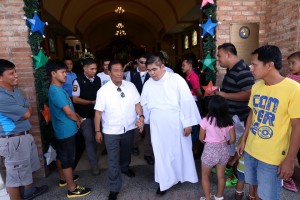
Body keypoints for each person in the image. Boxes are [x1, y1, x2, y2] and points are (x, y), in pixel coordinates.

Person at [237, 45, 300, 200]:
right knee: (255, 188)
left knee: (269, 195)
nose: (251, 68)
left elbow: (297, 126)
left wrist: (290, 160)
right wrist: (243, 140)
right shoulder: (257, 86)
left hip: (272, 157)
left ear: (269, 65)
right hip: (252, 150)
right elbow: (252, 113)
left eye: (254, 64)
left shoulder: (294, 89)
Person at [140, 54, 201, 195]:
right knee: (161, 153)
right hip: (157, 124)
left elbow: (186, 101)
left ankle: (179, 176)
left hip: (176, 122)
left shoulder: (176, 79)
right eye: (148, 70)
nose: (152, 73)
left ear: (162, 66)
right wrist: (142, 119)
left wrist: (188, 123)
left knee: (178, 151)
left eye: (154, 69)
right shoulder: (148, 84)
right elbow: (144, 104)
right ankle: (164, 182)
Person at [94, 61, 144, 200]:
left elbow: (137, 104)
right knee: (112, 159)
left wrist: (141, 116)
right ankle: (114, 187)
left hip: (129, 127)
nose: (119, 73)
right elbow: (98, 113)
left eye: (121, 70)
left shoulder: (131, 86)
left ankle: (125, 167)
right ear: (109, 72)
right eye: (115, 70)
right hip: (111, 131)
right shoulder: (103, 91)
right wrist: (97, 131)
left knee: (127, 151)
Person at [0, 59, 48, 200]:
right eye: (11, 73)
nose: (16, 75)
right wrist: (24, 112)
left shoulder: (15, 91)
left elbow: (29, 109)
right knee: (14, 177)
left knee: (24, 169)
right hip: (13, 140)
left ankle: (30, 191)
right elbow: (26, 113)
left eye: (15, 72)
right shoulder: (1, 97)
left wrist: (24, 112)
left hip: (23, 136)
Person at [46, 60, 91, 198]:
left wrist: (77, 117)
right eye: (63, 72)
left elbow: (71, 109)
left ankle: (63, 178)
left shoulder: (58, 89)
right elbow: (69, 112)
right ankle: (72, 189)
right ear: (53, 74)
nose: (66, 75)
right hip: (65, 131)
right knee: (67, 158)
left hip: (63, 129)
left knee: (62, 155)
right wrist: (78, 120)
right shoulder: (56, 91)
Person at [215, 43, 255, 184]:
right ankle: (229, 168)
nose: (218, 59)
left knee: (239, 148)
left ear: (228, 54)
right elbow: (233, 90)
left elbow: (248, 94)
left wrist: (224, 95)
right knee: (232, 146)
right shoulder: (231, 70)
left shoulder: (242, 70)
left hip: (240, 118)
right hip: (232, 117)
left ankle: (236, 178)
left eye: (219, 56)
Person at [199, 95, 235, 200]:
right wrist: (226, 143)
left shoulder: (205, 120)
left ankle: (207, 198)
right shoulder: (228, 121)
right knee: (221, 176)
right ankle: (219, 197)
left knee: (205, 176)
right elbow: (232, 139)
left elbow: (201, 138)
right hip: (223, 149)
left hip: (210, 149)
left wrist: (207, 143)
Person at [72, 58, 101, 176]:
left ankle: (96, 155)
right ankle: (94, 165)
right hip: (85, 115)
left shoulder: (98, 79)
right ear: (84, 68)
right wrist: (90, 102)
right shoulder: (77, 81)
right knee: (89, 140)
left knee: (98, 137)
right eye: (92, 69)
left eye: (95, 68)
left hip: (98, 114)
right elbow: (75, 99)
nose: (94, 71)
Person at [126, 53, 154, 165]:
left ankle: (148, 153)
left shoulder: (151, 73)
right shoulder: (130, 73)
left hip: (148, 105)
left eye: (145, 63)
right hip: (135, 105)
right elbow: (127, 89)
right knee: (136, 129)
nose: (143, 65)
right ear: (137, 61)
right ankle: (135, 146)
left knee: (149, 130)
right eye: (141, 62)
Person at [281, 51, 300, 192]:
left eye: (293, 63)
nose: (290, 66)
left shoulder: (291, 80)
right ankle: (288, 179)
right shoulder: (290, 79)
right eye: (289, 63)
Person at [182, 53, 203, 159]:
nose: (182, 67)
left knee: (194, 126)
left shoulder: (193, 76)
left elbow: (198, 92)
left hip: (194, 103)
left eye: (184, 65)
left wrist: (200, 103)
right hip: (190, 103)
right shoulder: (188, 76)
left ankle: (195, 151)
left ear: (190, 65)